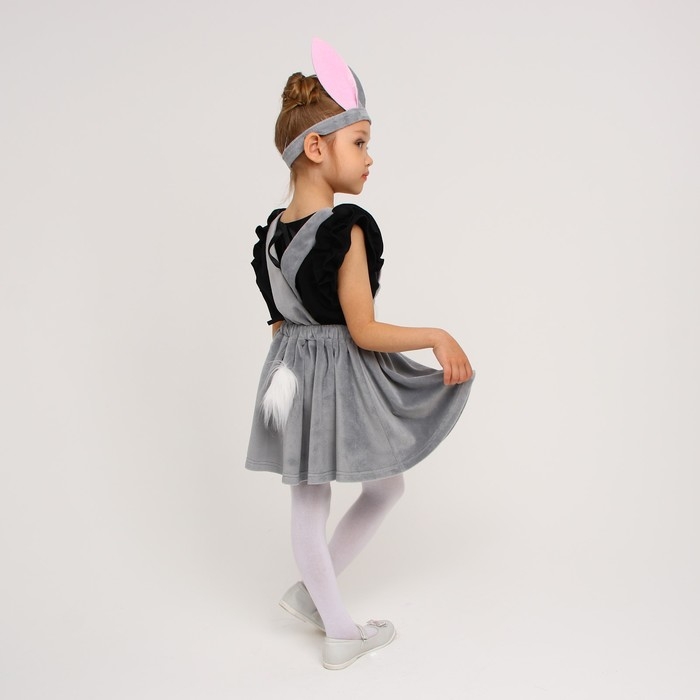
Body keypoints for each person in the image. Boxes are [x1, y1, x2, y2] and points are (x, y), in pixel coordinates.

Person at [245, 38, 475, 670]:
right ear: (317, 148)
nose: (370, 158)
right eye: (360, 142)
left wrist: (300, 365)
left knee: (364, 488)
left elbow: (278, 322)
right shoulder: (345, 229)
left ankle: (310, 594)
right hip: (334, 372)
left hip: (290, 371)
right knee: (322, 498)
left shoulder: (270, 234)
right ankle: (341, 632)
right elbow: (364, 331)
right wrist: (436, 335)